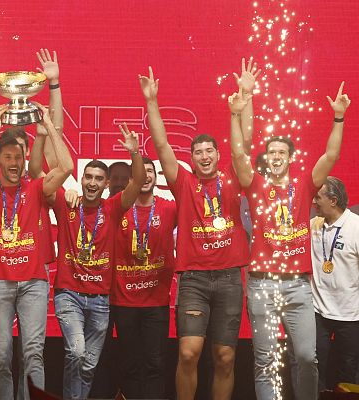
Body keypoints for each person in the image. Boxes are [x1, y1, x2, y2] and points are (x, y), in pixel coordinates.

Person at [228, 76, 350, 399]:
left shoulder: (305, 185)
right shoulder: (254, 186)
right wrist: (236, 113)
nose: (277, 156)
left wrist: (338, 117)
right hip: (262, 284)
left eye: (283, 151)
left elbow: (331, 155)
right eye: (272, 152)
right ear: (267, 159)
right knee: (265, 361)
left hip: (298, 286)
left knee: (308, 357)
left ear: (291, 157)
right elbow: (239, 157)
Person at [141, 64, 250, 400]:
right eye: (197, 153)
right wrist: (152, 102)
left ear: (218, 155)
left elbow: (243, 143)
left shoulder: (232, 178)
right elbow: (161, 146)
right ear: (192, 159)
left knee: (225, 357)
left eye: (209, 152)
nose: (204, 157)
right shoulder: (184, 182)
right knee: (188, 352)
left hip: (230, 278)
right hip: (194, 279)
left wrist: (245, 99)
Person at [0, 98, 74, 400]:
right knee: (0, 355)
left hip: (33, 283)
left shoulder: (36, 188)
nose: (14, 163)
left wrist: (49, 128)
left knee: (33, 354)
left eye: (18, 157)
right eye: (7, 157)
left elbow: (66, 167)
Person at [51, 124, 144, 400]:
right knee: (76, 351)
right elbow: (40, 174)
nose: (92, 182)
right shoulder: (67, 204)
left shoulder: (113, 208)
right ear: (81, 179)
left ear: (106, 185)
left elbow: (137, 182)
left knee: (89, 366)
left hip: (101, 300)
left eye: (98, 178)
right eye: (88, 177)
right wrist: (47, 128)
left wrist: (135, 153)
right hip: (69, 294)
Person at [110, 156, 177, 399]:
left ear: (156, 177)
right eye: (142, 172)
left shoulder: (169, 208)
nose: (146, 176)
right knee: (129, 364)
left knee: (155, 364)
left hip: (156, 302)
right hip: (124, 301)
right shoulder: (118, 208)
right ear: (132, 178)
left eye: (151, 171)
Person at [310, 177, 359, 391]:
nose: (313, 201)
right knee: (314, 366)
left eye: (318, 197)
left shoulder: (356, 227)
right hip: (318, 312)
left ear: (333, 200)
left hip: (350, 315)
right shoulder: (313, 225)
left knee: (348, 371)